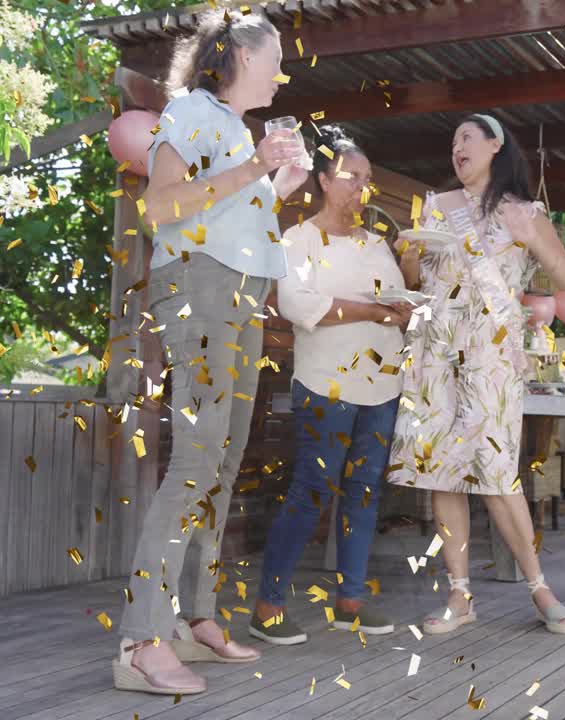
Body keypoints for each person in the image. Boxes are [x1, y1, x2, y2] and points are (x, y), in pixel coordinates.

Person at [113, 9, 309, 695]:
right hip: (198, 288)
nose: (283, 68)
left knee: (224, 461)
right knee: (198, 458)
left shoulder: (236, 130)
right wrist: (255, 167)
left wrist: (273, 189)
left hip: (241, 296)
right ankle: (141, 638)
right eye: (276, 53)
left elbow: (230, 216)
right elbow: (162, 209)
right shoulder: (190, 110)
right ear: (237, 54)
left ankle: (195, 616)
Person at [389, 114, 565, 635]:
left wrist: (535, 239)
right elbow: (412, 279)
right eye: (452, 140)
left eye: (466, 138)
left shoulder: (523, 210)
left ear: (496, 145)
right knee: (441, 472)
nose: (457, 147)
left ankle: (539, 588)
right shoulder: (434, 208)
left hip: (491, 354)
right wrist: (408, 255)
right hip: (436, 351)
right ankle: (460, 594)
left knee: (497, 475)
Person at [248, 125, 411, 645]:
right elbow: (298, 307)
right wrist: (373, 311)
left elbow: (400, 305)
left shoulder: (376, 246)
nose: (361, 187)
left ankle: (351, 604)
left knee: (364, 494)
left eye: (367, 179)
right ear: (322, 179)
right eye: (349, 176)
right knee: (311, 492)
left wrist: (404, 306)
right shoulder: (295, 240)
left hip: (382, 388)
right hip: (325, 386)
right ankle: (267, 606)